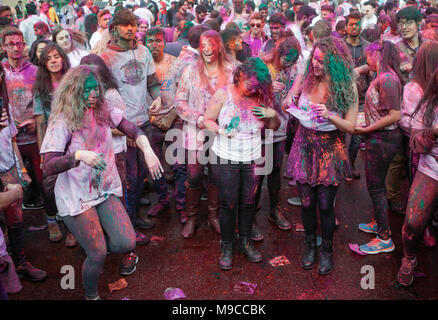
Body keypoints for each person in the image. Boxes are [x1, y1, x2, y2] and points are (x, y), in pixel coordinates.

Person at [40, 65, 162, 300]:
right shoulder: (63, 119)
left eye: (96, 89)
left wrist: (147, 149)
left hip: (104, 190)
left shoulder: (104, 109)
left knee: (126, 242)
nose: (93, 95)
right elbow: (48, 165)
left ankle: (98, 242)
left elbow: (132, 129)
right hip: (76, 194)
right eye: (87, 91)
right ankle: (91, 295)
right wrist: (79, 156)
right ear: (74, 91)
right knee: (97, 253)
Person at [285, 36, 358, 275]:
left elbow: (350, 127)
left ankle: (327, 250)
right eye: (314, 59)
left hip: (330, 147)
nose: (315, 65)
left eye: (322, 61)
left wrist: (329, 116)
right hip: (304, 143)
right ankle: (310, 246)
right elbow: (288, 102)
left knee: (326, 206)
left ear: (335, 63)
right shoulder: (305, 79)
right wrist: (292, 104)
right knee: (307, 203)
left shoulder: (347, 86)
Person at [204, 60, 280, 269]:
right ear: (239, 75)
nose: (252, 88)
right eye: (249, 83)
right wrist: (220, 130)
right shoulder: (223, 94)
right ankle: (227, 246)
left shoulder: (261, 97)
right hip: (225, 157)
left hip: (253, 158)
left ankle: (245, 242)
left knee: (249, 203)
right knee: (228, 203)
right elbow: (207, 120)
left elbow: (273, 126)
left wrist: (272, 116)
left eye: (257, 85)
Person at [100, 9, 162, 242]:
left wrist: (157, 97)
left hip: (144, 123)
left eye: (134, 25)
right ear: (114, 28)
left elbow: (152, 81)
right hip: (121, 130)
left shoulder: (144, 51)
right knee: (128, 180)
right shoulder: (105, 57)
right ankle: (126, 229)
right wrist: (121, 128)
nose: (131, 29)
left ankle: (134, 219)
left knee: (141, 176)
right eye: (125, 25)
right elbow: (103, 98)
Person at [175, 30, 233, 238]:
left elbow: (237, 101)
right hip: (195, 133)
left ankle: (213, 216)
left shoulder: (230, 71)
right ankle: (191, 218)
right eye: (203, 45)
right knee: (194, 175)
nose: (207, 49)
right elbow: (179, 102)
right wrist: (199, 119)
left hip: (220, 135)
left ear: (219, 46)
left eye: (211, 45)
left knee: (217, 176)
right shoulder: (190, 71)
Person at [355, 40, 404, 255]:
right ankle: (378, 222)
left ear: (378, 55)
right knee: (377, 186)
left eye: (368, 55)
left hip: (383, 138)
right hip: (378, 136)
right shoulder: (382, 76)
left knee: (376, 187)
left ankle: (384, 237)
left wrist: (367, 130)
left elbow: (394, 115)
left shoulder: (388, 80)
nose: (366, 59)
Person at [0, 60, 47, 282]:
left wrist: (21, 171)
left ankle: (19, 263)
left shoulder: (3, 105)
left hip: (8, 169)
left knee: (16, 221)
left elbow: (12, 141)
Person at [255, 36, 303, 233]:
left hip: (281, 126)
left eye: (293, 61)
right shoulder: (261, 64)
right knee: (257, 170)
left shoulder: (293, 69)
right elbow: (244, 91)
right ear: (278, 54)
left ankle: (274, 209)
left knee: (275, 168)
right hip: (258, 127)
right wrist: (265, 86)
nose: (289, 64)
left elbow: (294, 94)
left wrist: (293, 96)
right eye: (287, 60)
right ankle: (250, 217)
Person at [397, 67, 438, 286]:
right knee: (413, 222)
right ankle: (409, 258)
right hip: (431, 169)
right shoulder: (429, 105)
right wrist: (433, 132)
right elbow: (415, 144)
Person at [32, 42, 75, 245]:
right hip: (54, 143)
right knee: (50, 185)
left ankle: (74, 229)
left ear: (63, 58)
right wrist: (43, 153)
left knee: (75, 182)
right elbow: (40, 122)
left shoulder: (73, 81)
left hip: (75, 139)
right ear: (43, 63)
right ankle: (52, 220)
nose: (53, 61)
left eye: (56, 56)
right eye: (48, 58)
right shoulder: (41, 88)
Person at [143, 27, 188, 222]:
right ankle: (162, 200)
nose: (154, 45)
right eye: (150, 41)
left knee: (179, 166)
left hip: (174, 121)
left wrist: (176, 114)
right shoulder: (142, 65)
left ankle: (181, 204)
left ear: (164, 42)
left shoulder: (175, 63)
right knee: (155, 165)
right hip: (150, 122)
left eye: (158, 41)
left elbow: (184, 91)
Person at [2, 27, 45, 211]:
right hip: (10, 140)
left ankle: (51, 219)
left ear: (24, 45)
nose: (15, 48)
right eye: (10, 44)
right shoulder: (1, 70)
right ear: (3, 47)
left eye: (18, 43)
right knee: (16, 185)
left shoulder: (34, 71)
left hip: (33, 137)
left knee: (42, 178)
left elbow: (44, 102)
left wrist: (36, 122)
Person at [343, 11, 371, 181]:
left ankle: (351, 165)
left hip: (361, 97)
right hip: (340, 98)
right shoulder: (339, 45)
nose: (354, 27)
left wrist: (362, 69)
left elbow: (374, 65)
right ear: (346, 26)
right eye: (351, 24)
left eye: (357, 24)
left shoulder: (368, 46)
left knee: (356, 136)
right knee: (338, 136)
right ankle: (338, 167)